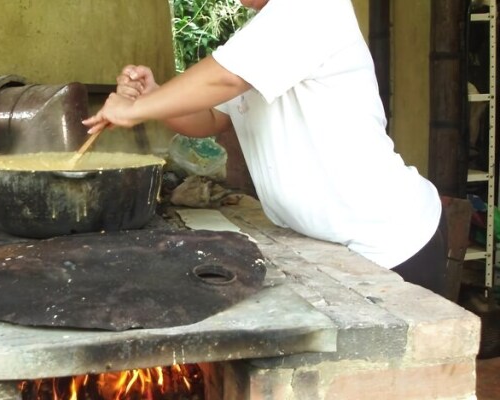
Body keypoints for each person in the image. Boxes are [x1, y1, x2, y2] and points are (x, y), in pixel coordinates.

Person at [82, 0, 448, 297]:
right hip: (334, 247)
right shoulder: (258, 36)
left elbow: (224, 78)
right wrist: (155, 96)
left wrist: (135, 109)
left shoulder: (313, 8)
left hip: (390, 243)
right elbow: (209, 118)